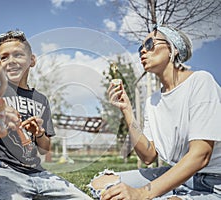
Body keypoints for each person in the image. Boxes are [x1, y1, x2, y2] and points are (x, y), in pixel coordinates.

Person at [93, 25, 221, 200]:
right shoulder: (152, 101)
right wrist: (127, 110)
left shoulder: (200, 82)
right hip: (177, 175)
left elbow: (200, 156)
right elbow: (148, 156)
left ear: (173, 49)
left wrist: (142, 193)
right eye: (140, 49)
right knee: (100, 183)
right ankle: (175, 192)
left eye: (150, 44)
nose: (143, 52)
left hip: (213, 182)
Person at [0, 30, 92, 199]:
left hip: (37, 172)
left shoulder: (41, 100)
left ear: (32, 60)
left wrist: (39, 133)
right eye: (4, 57)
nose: (11, 61)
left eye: (18, 55)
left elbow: (45, 149)